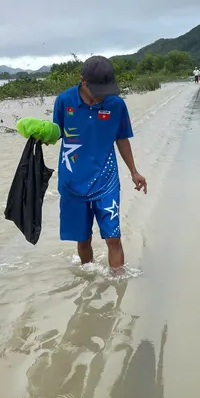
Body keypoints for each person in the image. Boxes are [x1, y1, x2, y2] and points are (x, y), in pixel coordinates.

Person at [52, 55, 147, 273]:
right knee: (83, 239)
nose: (100, 97)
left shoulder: (116, 104)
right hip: (72, 183)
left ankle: (118, 287)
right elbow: (55, 134)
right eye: (97, 90)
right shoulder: (64, 101)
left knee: (113, 238)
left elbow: (122, 138)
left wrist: (134, 171)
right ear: (83, 81)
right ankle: (88, 282)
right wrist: (38, 134)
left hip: (107, 181)